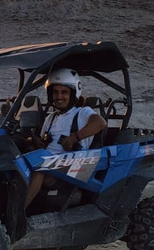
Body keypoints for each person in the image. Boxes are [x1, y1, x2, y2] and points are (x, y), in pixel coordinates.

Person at [25, 68, 107, 208]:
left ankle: (18, 214)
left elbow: (100, 123)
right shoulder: (51, 118)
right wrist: (35, 142)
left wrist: (75, 137)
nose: (59, 97)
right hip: (49, 164)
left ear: (73, 94)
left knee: (39, 170)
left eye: (64, 92)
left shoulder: (82, 112)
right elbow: (44, 144)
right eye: (55, 92)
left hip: (70, 169)